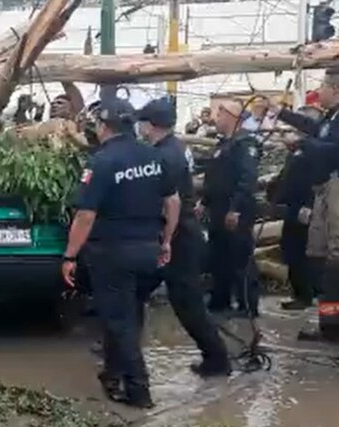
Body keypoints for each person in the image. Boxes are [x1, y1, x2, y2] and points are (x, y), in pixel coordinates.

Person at [62, 99, 180, 408]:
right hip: (149, 251)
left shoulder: (101, 162)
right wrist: (166, 240)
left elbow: (85, 215)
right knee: (130, 314)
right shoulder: (154, 156)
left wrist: (70, 256)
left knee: (120, 321)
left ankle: (139, 391)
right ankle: (112, 374)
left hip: (114, 254)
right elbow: (173, 201)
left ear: (103, 127)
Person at [137, 99, 232, 378]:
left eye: (142, 122)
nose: (140, 127)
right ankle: (121, 346)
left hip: (178, 236)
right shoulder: (175, 147)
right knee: (144, 290)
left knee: (187, 304)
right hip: (182, 233)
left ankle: (217, 358)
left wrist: (165, 238)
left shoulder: (164, 155)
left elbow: (170, 202)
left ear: (151, 125)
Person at [201, 101, 261, 318]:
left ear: (231, 116)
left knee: (240, 257)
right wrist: (204, 202)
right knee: (219, 257)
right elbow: (215, 177)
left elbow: (247, 178)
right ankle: (220, 299)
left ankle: (247, 305)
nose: (216, 117)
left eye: (220, 113)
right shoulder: (224, 144)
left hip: (235, 210)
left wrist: (236, 208)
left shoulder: (245, 143)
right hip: (217, 209)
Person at [273, 105, 325, 311]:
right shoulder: (296, 151)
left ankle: (307, 294)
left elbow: (315, 181)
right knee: (290, 248)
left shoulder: (314, 151)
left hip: (305, 207)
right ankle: (300, 292)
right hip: (292, 206)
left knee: (302, 251)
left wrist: (309, 206)